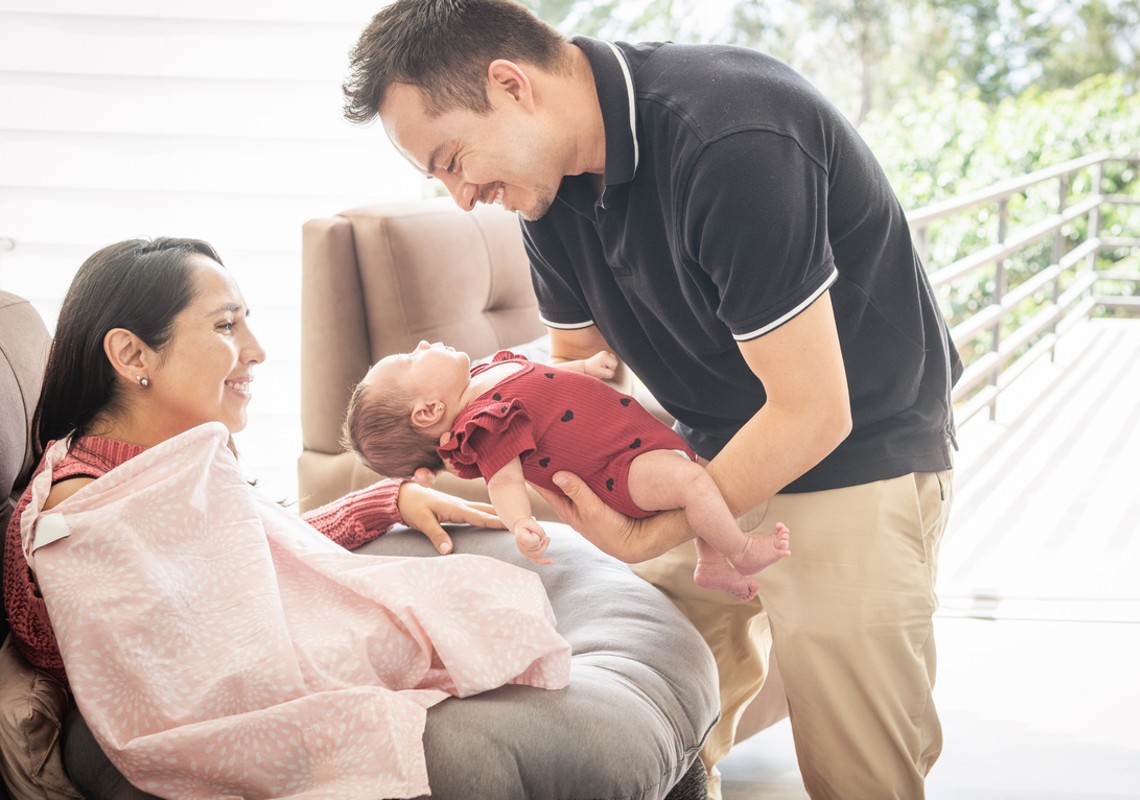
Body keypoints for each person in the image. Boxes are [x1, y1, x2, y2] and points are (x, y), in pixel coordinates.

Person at [342, 1, 961, 797]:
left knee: (859, 771)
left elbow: (812, 411)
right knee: (657, 720)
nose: (462, 196)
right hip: (700, 445)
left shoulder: (730, 138)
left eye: (453, 158)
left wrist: (657, 530)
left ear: (510, 85)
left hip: (855, 452)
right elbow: (581, 372)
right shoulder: (547, 194)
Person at [2, 237, 571, 798]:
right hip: (180, 718)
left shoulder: (168, 455)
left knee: (457, 604)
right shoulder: (85, 511)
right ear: (131, 355)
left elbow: (241, 552)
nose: (256, 350)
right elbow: (180, 692)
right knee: (428, 617)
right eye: (226, 326)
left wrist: (384, 503)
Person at [343, 343, 791, 600]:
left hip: (628, 438)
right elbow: (504, 480)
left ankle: (710, 564)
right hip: (615, 469)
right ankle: (739, 549)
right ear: (429, 411)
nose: (421, 345)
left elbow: (541, 377)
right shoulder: (482, 425)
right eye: (410, 359)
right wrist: (521, 523)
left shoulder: (485, 372)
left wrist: (584, 368)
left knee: (693, 472)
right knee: (694, 484)